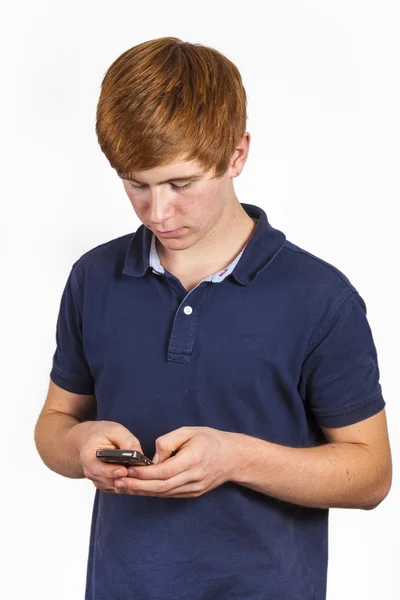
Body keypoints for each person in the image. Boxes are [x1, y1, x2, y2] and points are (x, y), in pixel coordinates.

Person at [34, 37, 392, 600]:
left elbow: (371, 475)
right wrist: (80, 444)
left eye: (180, 184)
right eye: (136, 184)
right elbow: (53, 424)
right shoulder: (93, 278)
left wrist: (235, 459)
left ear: (237, 154)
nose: (158, 212)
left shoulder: (320, 297)